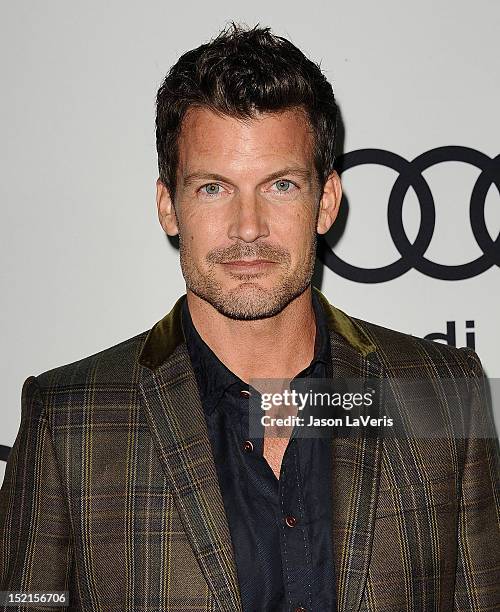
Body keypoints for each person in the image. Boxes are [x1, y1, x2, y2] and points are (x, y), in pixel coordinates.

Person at [1, 24, 499, 612]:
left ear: (327, 201)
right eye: (214, 189)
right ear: (169, 206)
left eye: (280, 185)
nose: (248, 228)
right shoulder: (69, 417)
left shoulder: (440, 393)